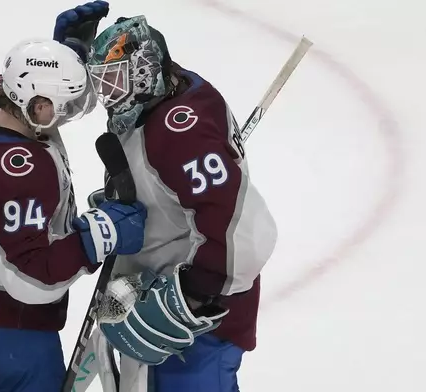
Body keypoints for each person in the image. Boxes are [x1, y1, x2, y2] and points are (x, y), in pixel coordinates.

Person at [0, 34, 147, 391]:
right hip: (9, 334)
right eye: (63, 103)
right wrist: (101, 234)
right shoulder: (24, 172)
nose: (69, 111)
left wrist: (64, 53)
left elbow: (31, 83)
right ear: (34, 103)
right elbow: (31, 279)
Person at [79, 14, 279, 392]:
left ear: (144, 71)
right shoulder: (169, 90)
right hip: (156, 298)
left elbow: (246, 233)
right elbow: (170, 190)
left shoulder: (179, 131)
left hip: (197, 325)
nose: (108, 95)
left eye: (116, 81)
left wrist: (191, 297)